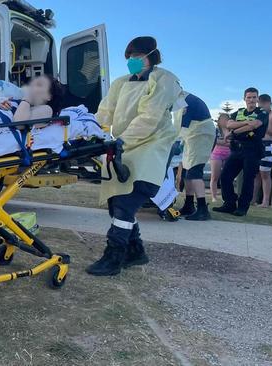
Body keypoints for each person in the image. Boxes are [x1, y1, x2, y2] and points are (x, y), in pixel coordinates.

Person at [88, 36, 183, 276]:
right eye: (129, 57)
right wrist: (88, 132)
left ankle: (114, 256)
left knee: (126, 201)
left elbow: (149, 117)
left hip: (152, 144)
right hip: (123, 147)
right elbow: (105, 111)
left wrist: (121, 141)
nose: (132, 61)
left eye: (137, 57)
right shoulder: (120, 83)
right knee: (116, 202)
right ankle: (136, 251)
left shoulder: (164, 79)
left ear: (151, 56)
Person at [213, 87, 269, 216]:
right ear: (244, 99)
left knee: (248, 180)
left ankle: (242, 208)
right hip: (237, 148)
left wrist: (235, 131)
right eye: (249, 97)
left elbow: (254, 125)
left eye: (254, 97)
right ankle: (229, 204)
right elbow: (228, 124)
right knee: (225, 176)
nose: (251, 100)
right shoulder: (239, 112)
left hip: (253, 149)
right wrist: (245, 124)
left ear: (257, 99)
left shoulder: (262, 112)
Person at [175, 93, 216, 220]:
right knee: (187, 172)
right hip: (193, 136)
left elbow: (181, 126)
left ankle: (203, 209)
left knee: (194, 172)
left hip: (200, 135)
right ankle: (189, 205)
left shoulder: (184, 100)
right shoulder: (181, 99)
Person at [253, 94, 272, 207]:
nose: (261, 106)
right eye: (260, 104)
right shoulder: (258, 115)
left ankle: (266, 201)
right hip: (257, 144)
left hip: (268, 145)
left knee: (265, 174)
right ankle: (252, 199)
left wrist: (265, 127)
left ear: (269, 103)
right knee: (256, 174)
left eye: (263, 104)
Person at [210, 113, 232, 202]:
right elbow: (215, 141)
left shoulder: (231, 131)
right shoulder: (216, 131)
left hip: (229, 153)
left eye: (226, 119)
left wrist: (222, 142)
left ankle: (225, 197)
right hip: (217, 154)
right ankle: (214, 197)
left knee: (226, 176)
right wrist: (225, 142)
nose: (224, 121)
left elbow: (231, 142)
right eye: (222, 119)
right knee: (215, 176)